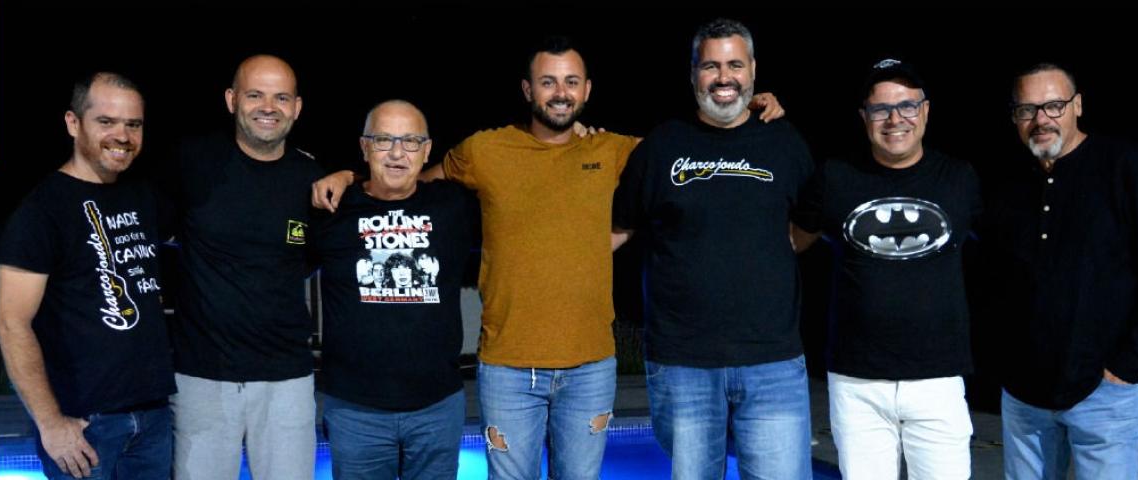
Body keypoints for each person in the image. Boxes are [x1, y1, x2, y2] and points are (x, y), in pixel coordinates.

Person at [310, 36, 784, 479]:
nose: (560, 93)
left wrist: (744, 114)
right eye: (548, 81)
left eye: (571, 81)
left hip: (590, 368)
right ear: (527, 89)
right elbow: (407, 184)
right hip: (507, 368)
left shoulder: (615, 150)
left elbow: (686, 158)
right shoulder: (484, 149)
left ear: (587, 90)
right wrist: (349, 177)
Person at [611, 18, 813, 479]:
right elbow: (618, 229)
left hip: (774, 363)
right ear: (693, 73)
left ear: (754, 70)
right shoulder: (662, 146)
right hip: (683, 364)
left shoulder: (785, 142)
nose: (724, 78)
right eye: (711, 66)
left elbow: (809, 224)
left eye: (735, 65)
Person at [984, 63, 1138, 479]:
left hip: (1104, 396)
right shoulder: (1005, 182)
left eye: (1054, 105)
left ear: (1077, 106)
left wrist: (1130, 365)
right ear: (1014, 118)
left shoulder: (1126, 166)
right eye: (1027, 110)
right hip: (1025, 399)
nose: (1041, 119)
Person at [792, 59, 979, 479]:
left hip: (938, 379)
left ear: (925, 111)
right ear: (864, 118)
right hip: (857, 383)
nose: (895, 119)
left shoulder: (959, 179)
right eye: (881, 109)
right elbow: (791, 241)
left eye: (907, 106)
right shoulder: (836, 176)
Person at [0, 72, 175, 479]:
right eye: (106, 122)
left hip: (152, 418)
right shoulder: (40, 212)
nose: (123, 135)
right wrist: (50, 424)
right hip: (83, 426)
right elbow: (11, 323)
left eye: (134, 124)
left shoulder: (142, 195)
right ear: (73, 123)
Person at [160, 54, 324, 480]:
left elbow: (308, 262)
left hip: (287, 379)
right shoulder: (191, 163)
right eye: (255, 95)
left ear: (297, 107)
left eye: (280, 97)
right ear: (232, 100)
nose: (268, 107)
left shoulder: (312, 178)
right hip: (201, 378)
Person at [311, 100, 478, 479]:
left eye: (411, 141)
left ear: (427, 151)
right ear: (365, 146)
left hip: (437, 408)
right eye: (384, 140)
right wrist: (347, 177)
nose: (398, 153)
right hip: (355, 412)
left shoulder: (454, 206)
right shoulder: (332, 210)